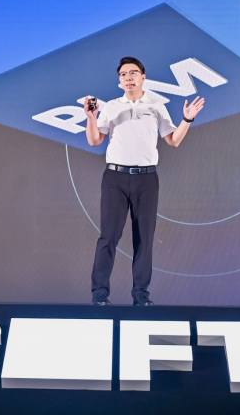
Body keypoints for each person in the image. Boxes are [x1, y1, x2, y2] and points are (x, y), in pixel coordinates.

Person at [84, 56, 205, 306]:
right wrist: (91, 117)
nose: (128, 78)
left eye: (133, 73)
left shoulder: (156, 105)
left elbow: (173, 140)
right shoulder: (111, 107)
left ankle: (141, 296)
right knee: (108, 237)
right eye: (123, 75)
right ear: (119, 81)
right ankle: (99, 296)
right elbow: (95, 140)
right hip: (115, 178)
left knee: (144, 239)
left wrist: (187, 119)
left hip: (146, 179)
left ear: (143, 77)